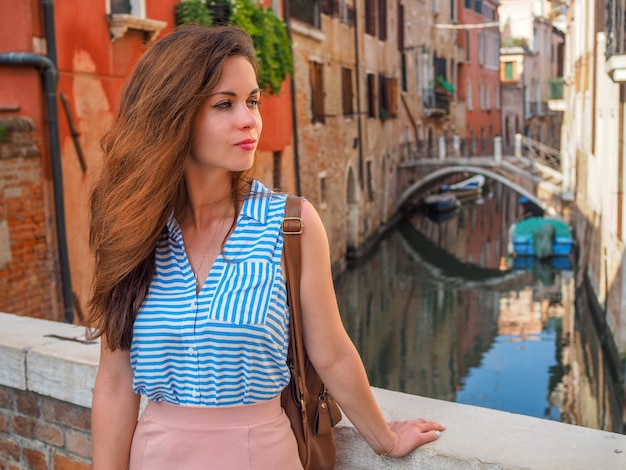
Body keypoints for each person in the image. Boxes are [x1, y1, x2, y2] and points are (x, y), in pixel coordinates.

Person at [87, 24, 445, 470]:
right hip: (157, 456)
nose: (250, 119)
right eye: (225, 104)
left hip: (263, 455)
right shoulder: (134, 231)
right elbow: (116, 383)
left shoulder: (290, 224)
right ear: (172, 114)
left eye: (252, 101)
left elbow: (331, 353)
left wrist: (386, 440)